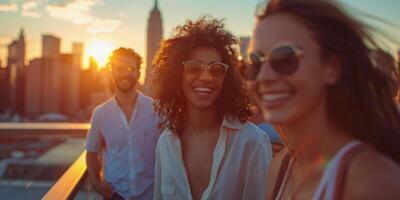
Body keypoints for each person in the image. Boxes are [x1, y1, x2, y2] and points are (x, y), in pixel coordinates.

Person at [245, 0, 400, 199]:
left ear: (332, 68)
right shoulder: (280, 168)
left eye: (285, 58)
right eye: (255, 62)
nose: (263, 76)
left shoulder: (373, 183)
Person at [152, 17, 272, 200]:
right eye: (194, 68)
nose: (206, 77)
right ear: (177, 76)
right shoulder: (165, 144)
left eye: (216, 70)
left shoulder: (252, 142)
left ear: (227, 80)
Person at [86, 48, 161, 200]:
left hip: (151, 194)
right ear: (111, 72)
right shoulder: (100, 113)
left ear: (138, 73)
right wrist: (96, 183)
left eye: (130, 69)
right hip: (114, 195)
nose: (125, 74)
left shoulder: (157, 110)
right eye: (119, 69)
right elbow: (92, 153)